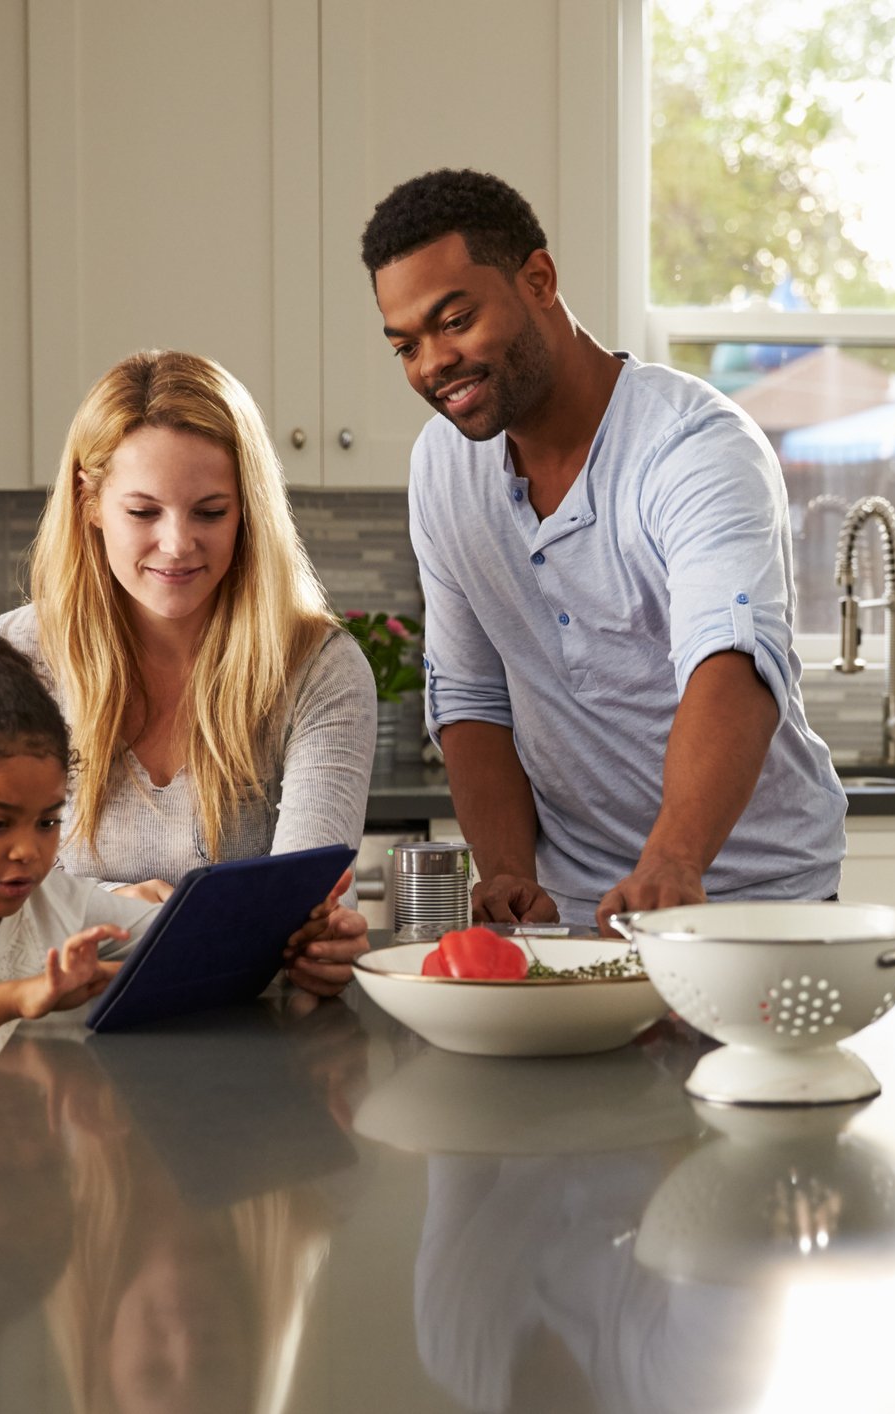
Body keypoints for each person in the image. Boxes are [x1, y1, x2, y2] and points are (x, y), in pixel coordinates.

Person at [0, 603, 358, 1323]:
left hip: (4, 1251)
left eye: (49, 821)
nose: (29, 850)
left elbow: (184, 935)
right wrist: (21, 996)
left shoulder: (56, 900)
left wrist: (294, 934)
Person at [362, 169, 847, 928]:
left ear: (539, 279)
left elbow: (730, 662)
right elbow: (470, 695)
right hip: (570, 911)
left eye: (454, 321)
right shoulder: (442, 467)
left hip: (751, 902)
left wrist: (673, 860)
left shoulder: (692, 447)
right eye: (405, 346)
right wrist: (512, 876)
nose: (432, 365)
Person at [0, 349, 373, 994]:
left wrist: (323, 939)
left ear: (248, 511)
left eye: (210, 511)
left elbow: (297, 900)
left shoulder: (320, 669)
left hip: (250, 1036)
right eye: (143, 512)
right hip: (48, 1025)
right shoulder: (17, 658)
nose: (177, 544)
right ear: (90, 503)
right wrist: (118, 903)